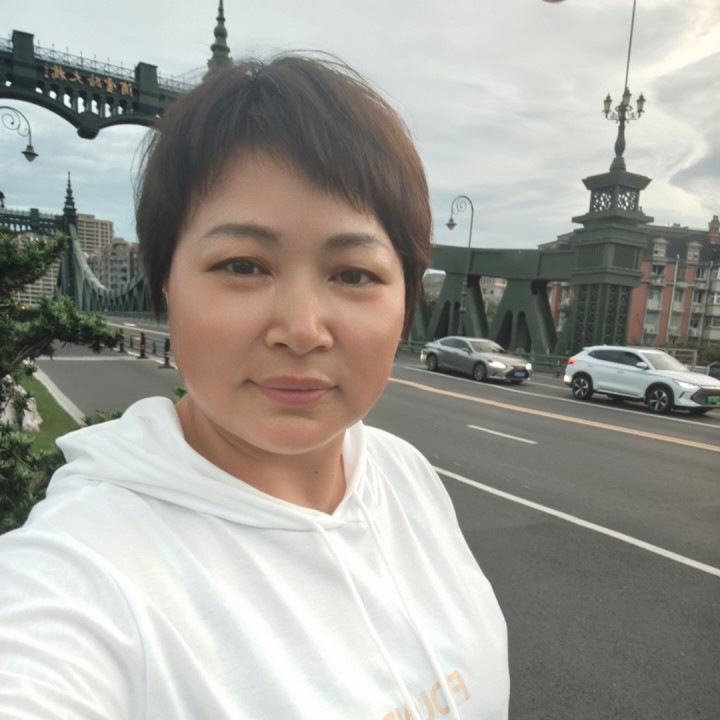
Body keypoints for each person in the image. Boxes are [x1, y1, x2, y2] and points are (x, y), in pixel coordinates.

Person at [0, 55, 509, 719]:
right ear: (165, 282)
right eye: (243, 265)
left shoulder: (406, 476)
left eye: (354, 274)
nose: (301, 330)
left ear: (407, 299)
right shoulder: (83, 571)